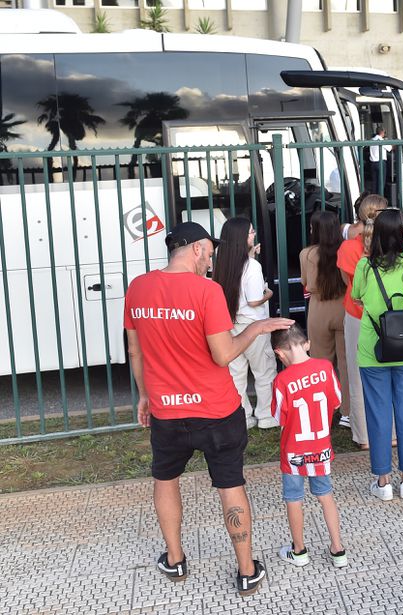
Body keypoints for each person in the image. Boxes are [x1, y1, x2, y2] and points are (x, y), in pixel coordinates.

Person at [124, 221, 292, 596]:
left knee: (165, 479)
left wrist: (144, 395)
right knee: (230, 484)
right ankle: (246, 571)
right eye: (210, 254)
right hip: (216, 410)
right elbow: (223, 354)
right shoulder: (207, 290)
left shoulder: (138, 287)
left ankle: (175, 559)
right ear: (197, 249)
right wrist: (256, 328)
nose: (211, 262)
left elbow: (135, 351)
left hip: (167, 410)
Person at [352, 208, 403, 500]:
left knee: (378, 414)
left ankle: (383, 482)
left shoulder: (365, 266)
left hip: (373, 348)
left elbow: (357, 297)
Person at [270, 325, 347, 569]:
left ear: (279, 353)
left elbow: (278, 417)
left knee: (294, 499)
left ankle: (299, 551)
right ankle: (338, 549)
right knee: (326, 496)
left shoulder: (282, 380)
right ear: (308, 344)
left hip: (293, 452)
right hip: (320, 448)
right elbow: (336, 402)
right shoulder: (325, 368)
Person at [212, 217, 278, 430]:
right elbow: (254, 300)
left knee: (236, 372)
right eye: (251, 232)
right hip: (254, 325)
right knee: (264, 370)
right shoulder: (253, 266)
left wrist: (250, 256)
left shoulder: (222, 264)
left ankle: (243, 416)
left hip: (232, 324)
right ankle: (266, 416)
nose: (254, 234)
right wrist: (269, 293)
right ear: (242, 237)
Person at [337, 194, 387, 449]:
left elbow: (348, 284)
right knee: (389, 375)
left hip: (357, 315)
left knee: (357, 376)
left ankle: (364, 436)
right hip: (388, 317)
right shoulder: (396, 246)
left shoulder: (348, 248)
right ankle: (391, 433)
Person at [300, 210, 350, 428]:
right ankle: (348, 412)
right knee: (347, 363)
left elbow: (304, 281)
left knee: (320, 363)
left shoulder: (306, 254)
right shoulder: (345, 250)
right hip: (344, 307)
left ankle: (323, 411)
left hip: (318, 308)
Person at [369, 126, 391, 195]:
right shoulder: (381, 140)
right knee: (381, 183)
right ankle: (380, 198)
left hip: (373, 163)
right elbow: (389, 148)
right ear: (381, 132)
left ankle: (373, 198)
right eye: (384, 132)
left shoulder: (372, 140)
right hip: (380, 163)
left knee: (374, 183)